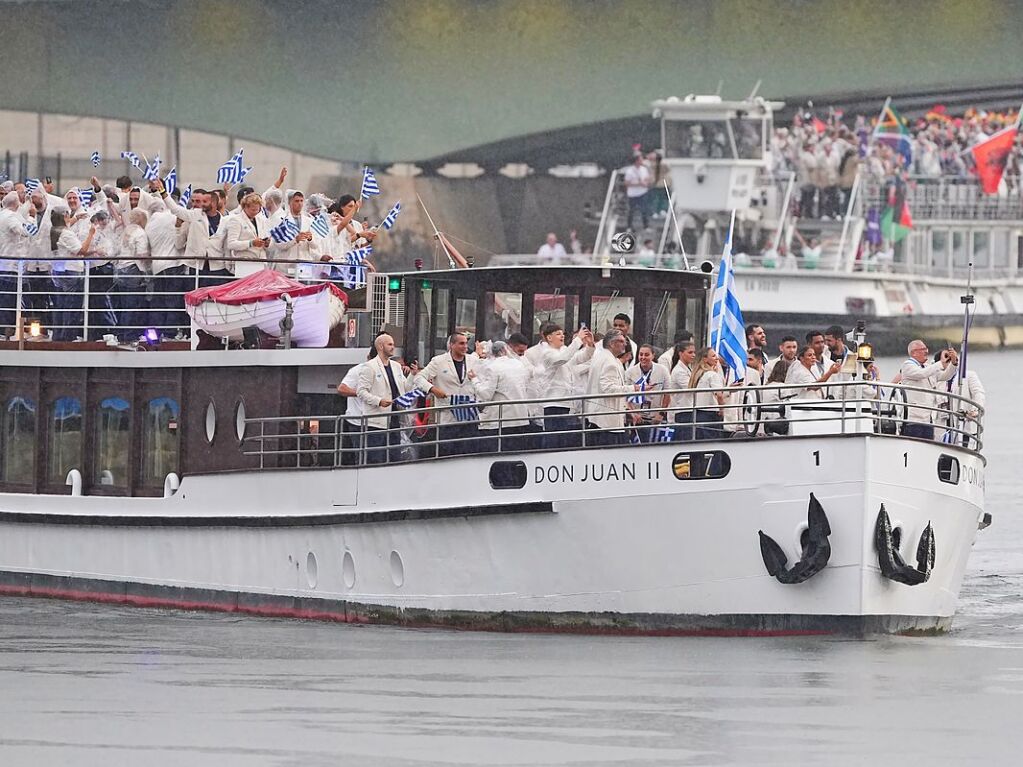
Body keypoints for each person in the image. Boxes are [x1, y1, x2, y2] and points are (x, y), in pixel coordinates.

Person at [414, 332, 481, 457]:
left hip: (469, 416)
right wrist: (433, 389)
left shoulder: (473, 360)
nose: (465, 346)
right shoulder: (439, 361)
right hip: (447, 416)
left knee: (468, 453)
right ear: (451, 345)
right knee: (447, 452)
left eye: (466, 343)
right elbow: (419, 378)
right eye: (461, 343)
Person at [356, 333, 414, 464]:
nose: (393, 347)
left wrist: (413, 376)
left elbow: (404, 388)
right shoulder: (369, 367)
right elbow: (361, 391)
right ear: (381, 346)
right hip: (376, 422)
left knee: (395, 456)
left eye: (393, 344)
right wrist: (379, 401)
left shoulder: (396, 366)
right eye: (390, 344)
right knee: (376, 457)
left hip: (394, 419)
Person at [536, 324, 594, 448]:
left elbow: (580, 358)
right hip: (553, 402)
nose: (562, 336)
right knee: (553, 438)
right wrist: (577, 340)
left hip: (565, 401)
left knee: (562, 438)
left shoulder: (564, 350)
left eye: (562, 333)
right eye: (558, 334)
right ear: (549, 338)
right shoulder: (547, 353)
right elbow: (562, 359)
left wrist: (590, 345)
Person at [475, 341, 535, 452]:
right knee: (517, 452)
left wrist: (474, 380)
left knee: (498, 453)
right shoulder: (519, 364)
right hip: (521, 417)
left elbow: (486, 394)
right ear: (505, 350)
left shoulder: (492, 367)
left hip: (500, 420)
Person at [582, 330, 638, 446]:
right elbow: (609, 389)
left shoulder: (599, 357)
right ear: (612, 344)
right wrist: (634, 388)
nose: (625, 344)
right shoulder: (610, 362)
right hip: (607, 422)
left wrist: (626, 411)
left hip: (596, 417)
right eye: (621, 341)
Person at [49, 209, 96, 341]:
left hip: (59, 271)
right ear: (64, 217)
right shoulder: (66, 234)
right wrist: (91, 234)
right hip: (71, 271)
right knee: (71, 305)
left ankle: (58, 335)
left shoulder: (54, 231)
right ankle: (67, 336)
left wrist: (76, 218)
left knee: (61, 304)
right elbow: (81, 251)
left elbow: (66, 225)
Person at [898, 340, 958, 440]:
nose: (926, 351)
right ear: (914, 352)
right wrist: (941, 363)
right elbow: (922, 374)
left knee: (927, 448)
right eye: (923, 349)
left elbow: (945, 376)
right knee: (913, 448)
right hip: (913, 419)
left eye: (926, 349)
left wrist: (953, 362)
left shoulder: (927, 367)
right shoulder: (908, 365)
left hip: (927, 419)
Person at [624, 344, 671, 442]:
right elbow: (625, 397)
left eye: (646, 355)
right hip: (636, 417)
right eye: (641, 355)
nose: (643, 357)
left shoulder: (663, 370)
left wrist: (661, 414)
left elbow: (667, 393)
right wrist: (634, 414)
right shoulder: (630, 372)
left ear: (653, 356)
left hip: (655, 417)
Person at [0, 191, 30, 332]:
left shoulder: (2, 214)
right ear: (16, 204)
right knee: (9, 299)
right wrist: (31, 224)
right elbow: (22, 230)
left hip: (4, 263)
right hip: (10, 264)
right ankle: (7, 329)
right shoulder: (10, 217)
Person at [225, 192, 271, 278]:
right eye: (253, 210)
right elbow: (231, 244)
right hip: (245, 264)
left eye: (257, 210)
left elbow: (265, 238)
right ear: (245, 207)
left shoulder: (261, 220)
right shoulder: (236, 220)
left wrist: (267, 243)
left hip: (261, 263)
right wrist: (251, 243)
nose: (255, 212)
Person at [689, 347, 727, 440]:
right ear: (705, 359)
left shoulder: (698, 374)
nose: (717, 358)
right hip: (711, 413)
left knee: (700, 443)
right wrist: (722, 409)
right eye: (713, 356)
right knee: (714, 443)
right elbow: (719, 394)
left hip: (698, 413)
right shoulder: (712, 375)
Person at [668, 340, 697, 440]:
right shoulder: (679, 371)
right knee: (684, 440)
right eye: (690, 352)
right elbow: (690, 388)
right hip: (683, 411)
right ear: (681, 353)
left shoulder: (688, 368)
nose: (693, 355)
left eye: (694, 352)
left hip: (689, 409)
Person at [623, 154, 652, 230]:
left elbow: (647, 178)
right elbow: (626, 183)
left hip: (643, 192)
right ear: (636, 161)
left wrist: (646, 182)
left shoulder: (644, 169)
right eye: (640, 159)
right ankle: (629, 226)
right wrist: (638, 184)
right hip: (633, 194)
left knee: (644, 210)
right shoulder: (630, 171)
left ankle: (646, 226)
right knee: (631, 211)